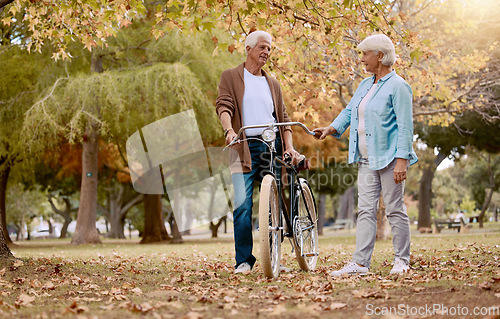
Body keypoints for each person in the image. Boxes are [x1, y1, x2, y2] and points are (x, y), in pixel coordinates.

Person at [314, 34, 418, 276]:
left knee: (394, 209)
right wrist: (332, 128)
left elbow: (405, 126)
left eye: (365, 54)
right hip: (366, 160)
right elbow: (350, 111)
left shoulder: (399, 86)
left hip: (391, 159)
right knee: (366, 211)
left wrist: (402, 160)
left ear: (380, 56)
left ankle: (401, 261)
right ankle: (360, 264)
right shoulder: (364, 85)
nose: (362, 59)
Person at [215, 31, 301, 274]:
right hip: (240, 146)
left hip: (269, 148)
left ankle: (273, 257)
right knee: (242, 206)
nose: (266, 52)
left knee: (273, 205)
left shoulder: (272, 83)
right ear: (248, 49)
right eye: (262, 47)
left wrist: (289, 147)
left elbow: (283, 119)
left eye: (270, 49)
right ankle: (244, 260)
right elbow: (224, 105)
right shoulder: (231, 76)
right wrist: (229, 131)